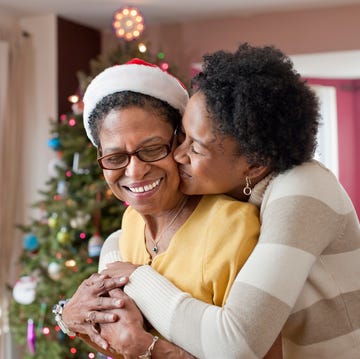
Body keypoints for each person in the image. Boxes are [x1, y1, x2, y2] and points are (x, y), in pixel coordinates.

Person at [71, 43, 359, 358]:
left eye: (194, 146)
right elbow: (123, 235)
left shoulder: (302, 188)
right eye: (182, 137)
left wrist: (136, 278)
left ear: (254, 162)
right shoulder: (233, 184)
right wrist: (76, 305)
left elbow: (236, 344)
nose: (179, 154)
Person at [57, 58, 265, 358]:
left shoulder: (232, 226)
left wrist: (147, 348)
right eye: (115, 157)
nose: (135, 171)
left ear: (180, 141)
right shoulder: (130, 224)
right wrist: (67, 316)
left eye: (153, 149)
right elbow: (119, 342)